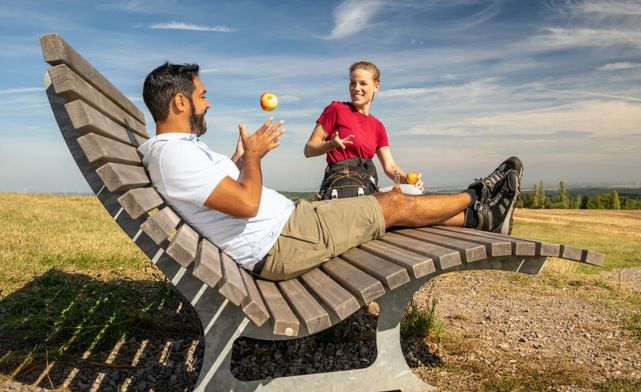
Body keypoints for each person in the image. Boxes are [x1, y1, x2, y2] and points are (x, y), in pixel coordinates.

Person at [138, 62, 523, 282]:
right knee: (390, 205)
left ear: (375, 88)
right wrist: (253, 159)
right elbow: (245, 205)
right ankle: (478, 199)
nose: (208, 104)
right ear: (179, 101)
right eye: (202, 96)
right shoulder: (173, 156)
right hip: (280, 243)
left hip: (291, 223)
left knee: (392, 202)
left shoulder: (180, 152)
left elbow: (223, 195)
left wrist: (240, 161)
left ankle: (480, 215)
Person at [304, 61, 424, 199]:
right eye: (352, 83)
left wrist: (409, 181)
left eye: (363, 83)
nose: (356, 88)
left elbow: (390, 167)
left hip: (367, 186)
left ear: (376, 86)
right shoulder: (337, 109)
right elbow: (308, 150)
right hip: (341, 187)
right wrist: (331, 144)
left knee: (415, 192)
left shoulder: (378, 126)